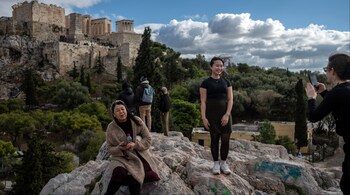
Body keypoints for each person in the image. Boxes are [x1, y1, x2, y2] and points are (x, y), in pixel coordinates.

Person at [305, 53, 350, 194]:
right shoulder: (344, 91)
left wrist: (312, 98)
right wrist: (325, 93)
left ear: (333, 71)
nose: (326, 73)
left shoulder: (337, 93)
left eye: (326, 69)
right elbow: (342, 106)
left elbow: (313, 117)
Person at [105, 100, 160, 195]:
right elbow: (109, 149)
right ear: (114, 114)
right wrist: (119, 148)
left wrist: (136, 145)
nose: (121, 112)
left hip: (136, 155)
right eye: (118, 110)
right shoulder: (111, 128)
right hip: (121, 158)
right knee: (118, 173)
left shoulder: (136, 120)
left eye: (123, 109)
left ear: (126, 109)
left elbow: (148, 139)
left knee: (137, 175)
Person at [199, 56, 233, 175]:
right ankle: (216, 164)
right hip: (211, 115)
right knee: (214, 139)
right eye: (217, 65)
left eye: (221, 66)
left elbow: (230, 100)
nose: (219, 68)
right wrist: (204, 117)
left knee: (225, 140)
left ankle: (223, 163)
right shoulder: (205, 83)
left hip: (225, 114)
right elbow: (203, 102)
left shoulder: (227, 82)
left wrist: (227, 115)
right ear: (211, 67)